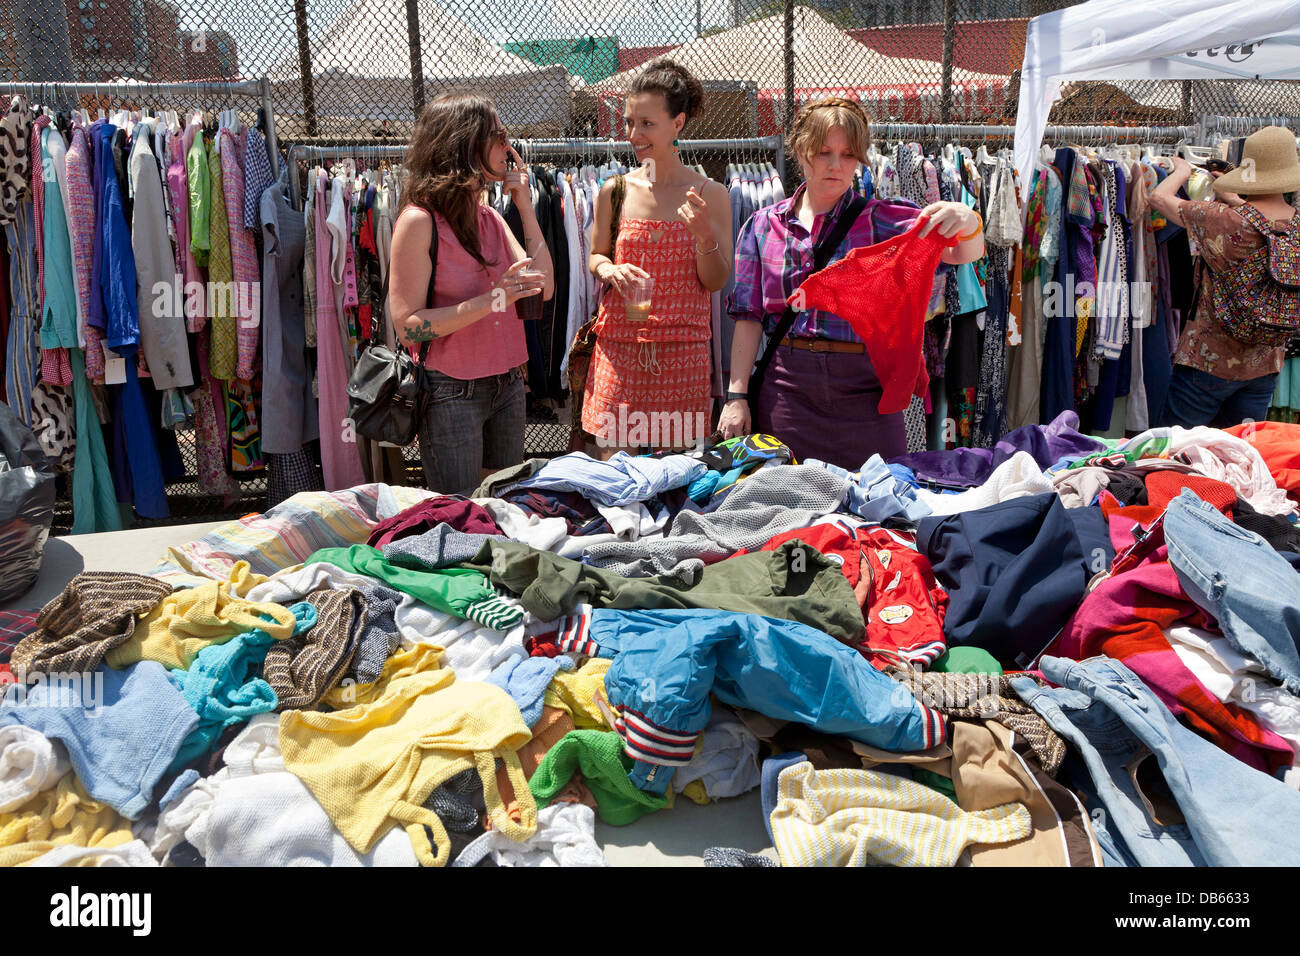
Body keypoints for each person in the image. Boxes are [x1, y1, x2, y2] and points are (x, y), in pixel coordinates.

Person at [718, 97, 984, 467]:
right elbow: (748, 317)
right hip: (787, 392)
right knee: (790, 510)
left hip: (866, 395)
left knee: (878, 508)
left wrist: (968, 219)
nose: (835, 165)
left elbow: (962, 253)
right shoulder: (763, 226)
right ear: (799, 150)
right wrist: (736, 397)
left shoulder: (882, 221)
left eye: (847, 154)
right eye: (824, 151)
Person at [388, 93, 555, 496]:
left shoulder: (490, 217)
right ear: (465, 143)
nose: (508, 144)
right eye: (497, 135)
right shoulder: (419, 221)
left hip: (508, 385)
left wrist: (525, 206)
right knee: (462, 513)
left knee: (505, 511)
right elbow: (409, 327)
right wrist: (492, 300)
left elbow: (545, 286)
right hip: (451, 392)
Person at [584, 58, 732, 457]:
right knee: (614, 483)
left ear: (678, 124)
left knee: (676, 482)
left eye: (647, 123)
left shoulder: (709, 194)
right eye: (630, 122)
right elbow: (595, 256)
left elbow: (715, 281)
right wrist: (609, 268)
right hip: (619, 349)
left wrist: (704, 236)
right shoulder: (613, 191)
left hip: (682, 357)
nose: (634, 134)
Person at [1149, 125, 1300, 428]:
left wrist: (1180, 170)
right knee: (1238, 455)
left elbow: (1159, 198)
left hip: (1207, 360)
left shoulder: (1221, 220)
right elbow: (1264, 228)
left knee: (1181, 452)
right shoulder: (1294, 226)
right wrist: (1233, 199)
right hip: (1264, 364)